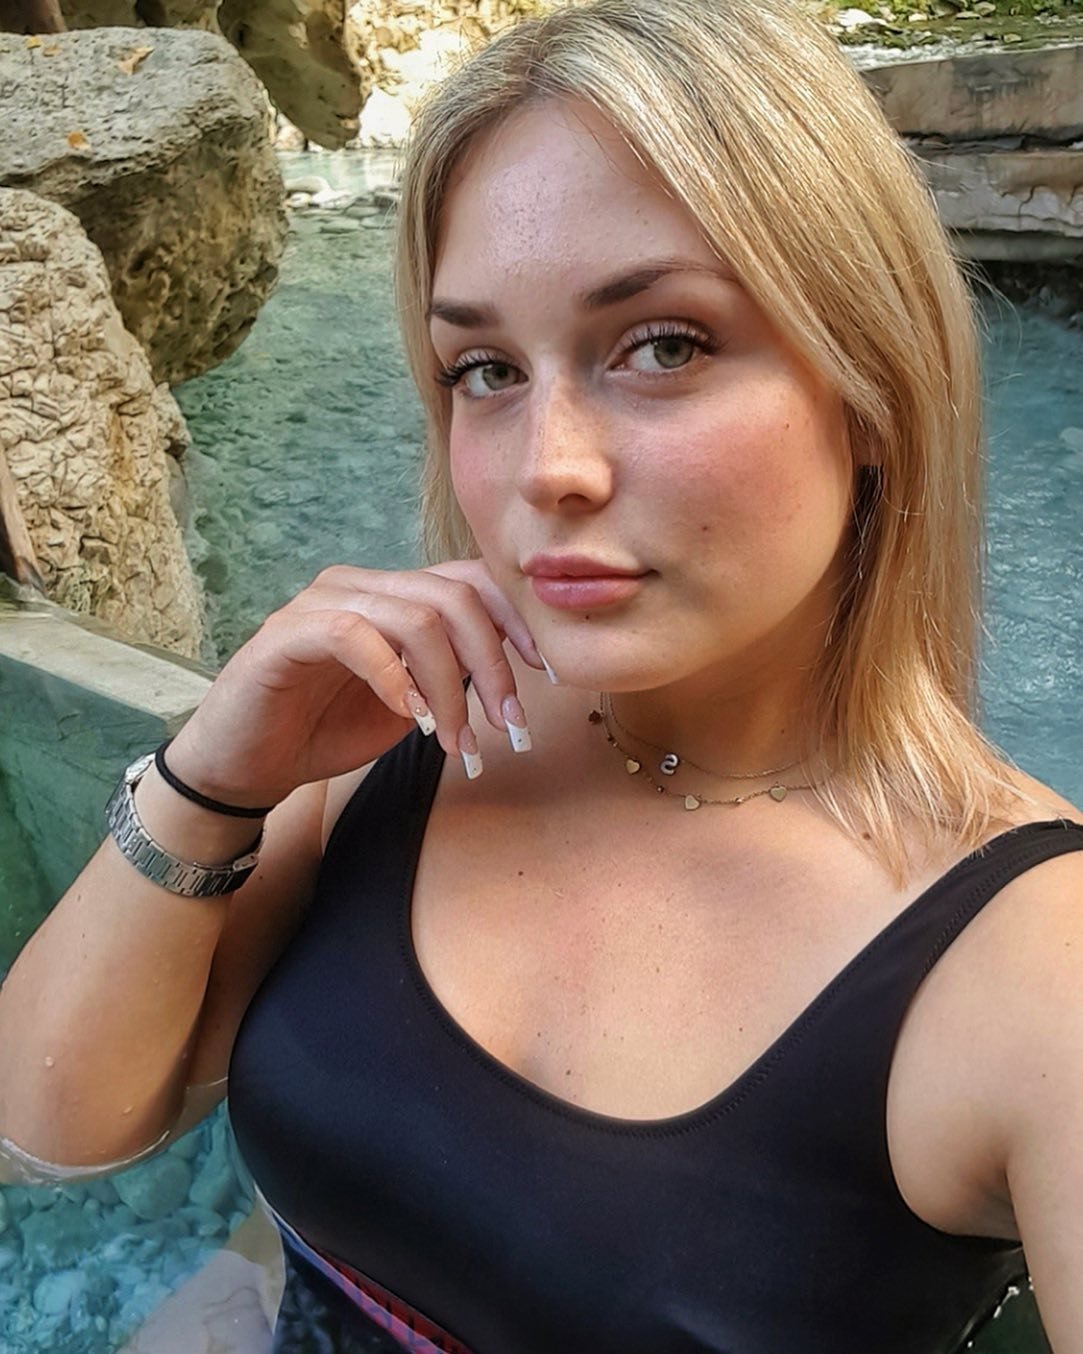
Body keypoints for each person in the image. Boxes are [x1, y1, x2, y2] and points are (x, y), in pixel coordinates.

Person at [1, 0, 1081, 1349]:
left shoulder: (1035, 962)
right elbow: (48, 1137)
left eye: (665, 345)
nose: (546, 468)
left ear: (872, 385)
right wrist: (211, 774)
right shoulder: (410, 731)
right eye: (486, 369)